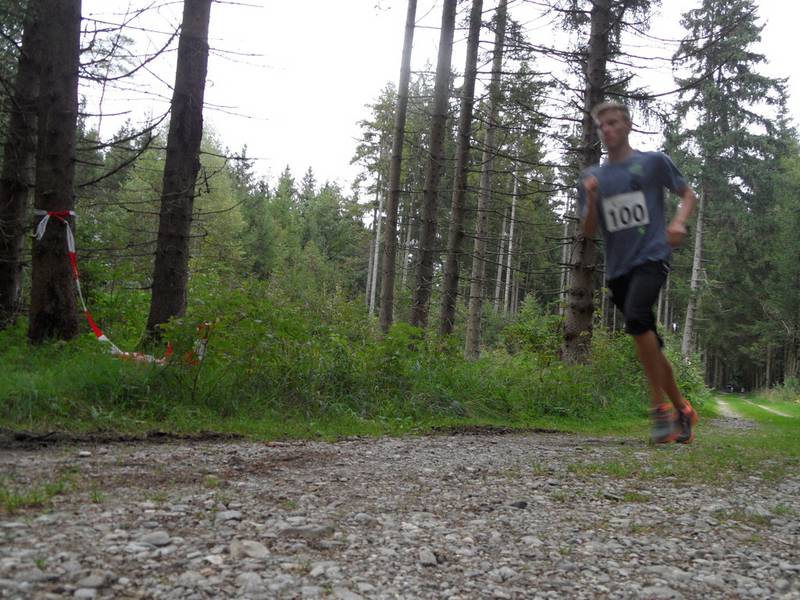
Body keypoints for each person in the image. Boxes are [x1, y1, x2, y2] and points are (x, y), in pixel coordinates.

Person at [578, 101, 699, 444]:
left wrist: (678, 222)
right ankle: (683, 410)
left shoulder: (653, 162)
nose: (608, 130)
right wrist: (592, 199)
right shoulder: (592, 177)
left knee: (635, 317)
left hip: (653, 256)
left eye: (614, 123)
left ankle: (659, 408)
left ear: (628, 125)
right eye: (602, 126)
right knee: (648, 341)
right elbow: (589, 231)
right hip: (619, 268)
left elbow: (688, 195)